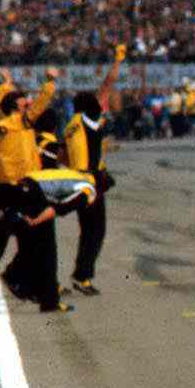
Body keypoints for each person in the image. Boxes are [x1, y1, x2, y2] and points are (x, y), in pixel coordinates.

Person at [0, 167, 97, 313]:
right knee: (47, 250)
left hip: (21, 185)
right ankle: (48, 300)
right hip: (33, 193)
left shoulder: (72, 174)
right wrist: (36, 221)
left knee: (15, 242)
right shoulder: (88, 189)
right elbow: (58, 209)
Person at [0, 67, 58, 299]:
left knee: (12, 239)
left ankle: (20, 281)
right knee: (32, 239)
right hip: (23, 187)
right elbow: (40, 104)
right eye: (22, 102)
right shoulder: (23, 122)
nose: (26, 103)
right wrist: (50, 81)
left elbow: (3, 99)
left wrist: (6, 83)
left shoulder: (1, 120)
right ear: (16, 107)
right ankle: (16, 278)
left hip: (6, 187)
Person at [65, 49, 124, 296]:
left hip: (77, 178)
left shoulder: (71, 125)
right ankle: (82, 276)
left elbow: (64, 155)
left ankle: (82, 273)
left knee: (88, 230)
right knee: (96, 230)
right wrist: (118, 61)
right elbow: (107, 86)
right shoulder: (88, 120)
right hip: (91, 180)